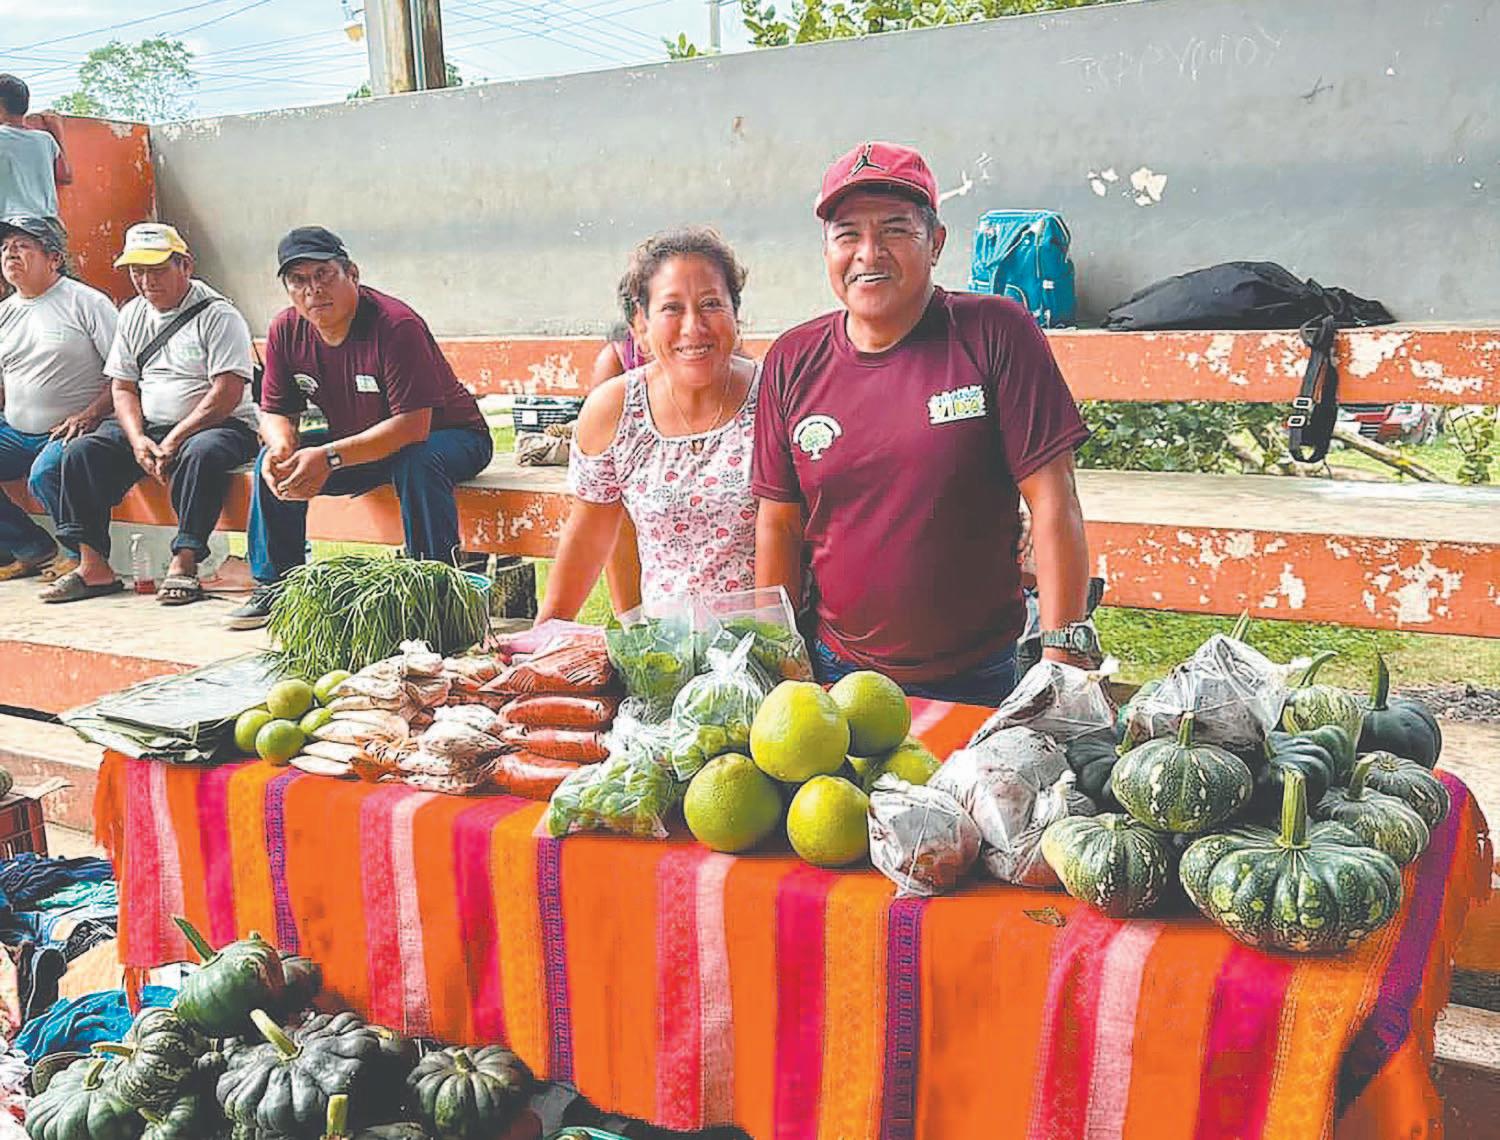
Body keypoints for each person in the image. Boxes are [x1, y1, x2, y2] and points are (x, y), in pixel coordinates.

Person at [752, 141, 1096, 706]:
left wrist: (1062, 662)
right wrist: (783, 664)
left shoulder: (996, 332)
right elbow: (779, 526)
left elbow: (1054, 501)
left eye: (895, 230)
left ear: (935, 242)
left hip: (979, 674)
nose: (869, 253)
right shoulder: (793, 359)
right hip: (835, 669)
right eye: (847, 234)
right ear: (826, 250)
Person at [225, 226, 494, 630]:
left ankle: (432, 590)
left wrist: (330, 457)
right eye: (298, 280)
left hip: (450, 437)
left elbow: (412, 426)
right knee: (272, 462)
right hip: (362, 441)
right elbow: (275, 411)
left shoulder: (396, 325)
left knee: (417, 461)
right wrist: (282, 445)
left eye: (323, 274)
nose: (313, 290)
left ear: (352, 273)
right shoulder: (286, 330)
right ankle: (275, 587)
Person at [532, 226, 758, 623]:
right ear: (641, 324)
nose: (693, 327)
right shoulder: (615, 410)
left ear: (735, 315)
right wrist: (545, 635)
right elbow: (589, 537)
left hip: (766, 642)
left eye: (711, 304)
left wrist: (779, 644)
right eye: (672, 308)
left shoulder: (774, 397)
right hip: (665, 647)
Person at [40, 223, 259, 604]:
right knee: (79, 453)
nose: (146, 281)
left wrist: (175, 438)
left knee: (201, 453)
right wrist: (138, 438)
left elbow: (226, 393)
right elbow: (123, 387)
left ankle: (184, 561)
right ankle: (93, 565)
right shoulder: (133, 314)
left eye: (157, 270)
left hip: (219, 425)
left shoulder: (219, 315)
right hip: (152, 426)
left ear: (185, 265)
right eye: (137, 272)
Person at [0, 216, 117, 580]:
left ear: (54, 258)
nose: (10, 253)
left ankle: (79, 555)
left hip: (78, 427)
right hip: (16, 431)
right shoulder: (5, 313)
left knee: (46, 473)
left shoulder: (86, 302)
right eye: (5, 248)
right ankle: (30, 547)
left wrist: (91, 414)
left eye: (22, 246)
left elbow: (126, 374)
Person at [0, 76, 71, 224]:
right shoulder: (46, 139)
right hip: (47, 225)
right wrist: (57, 132)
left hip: (9, 227)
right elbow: (65, 176)